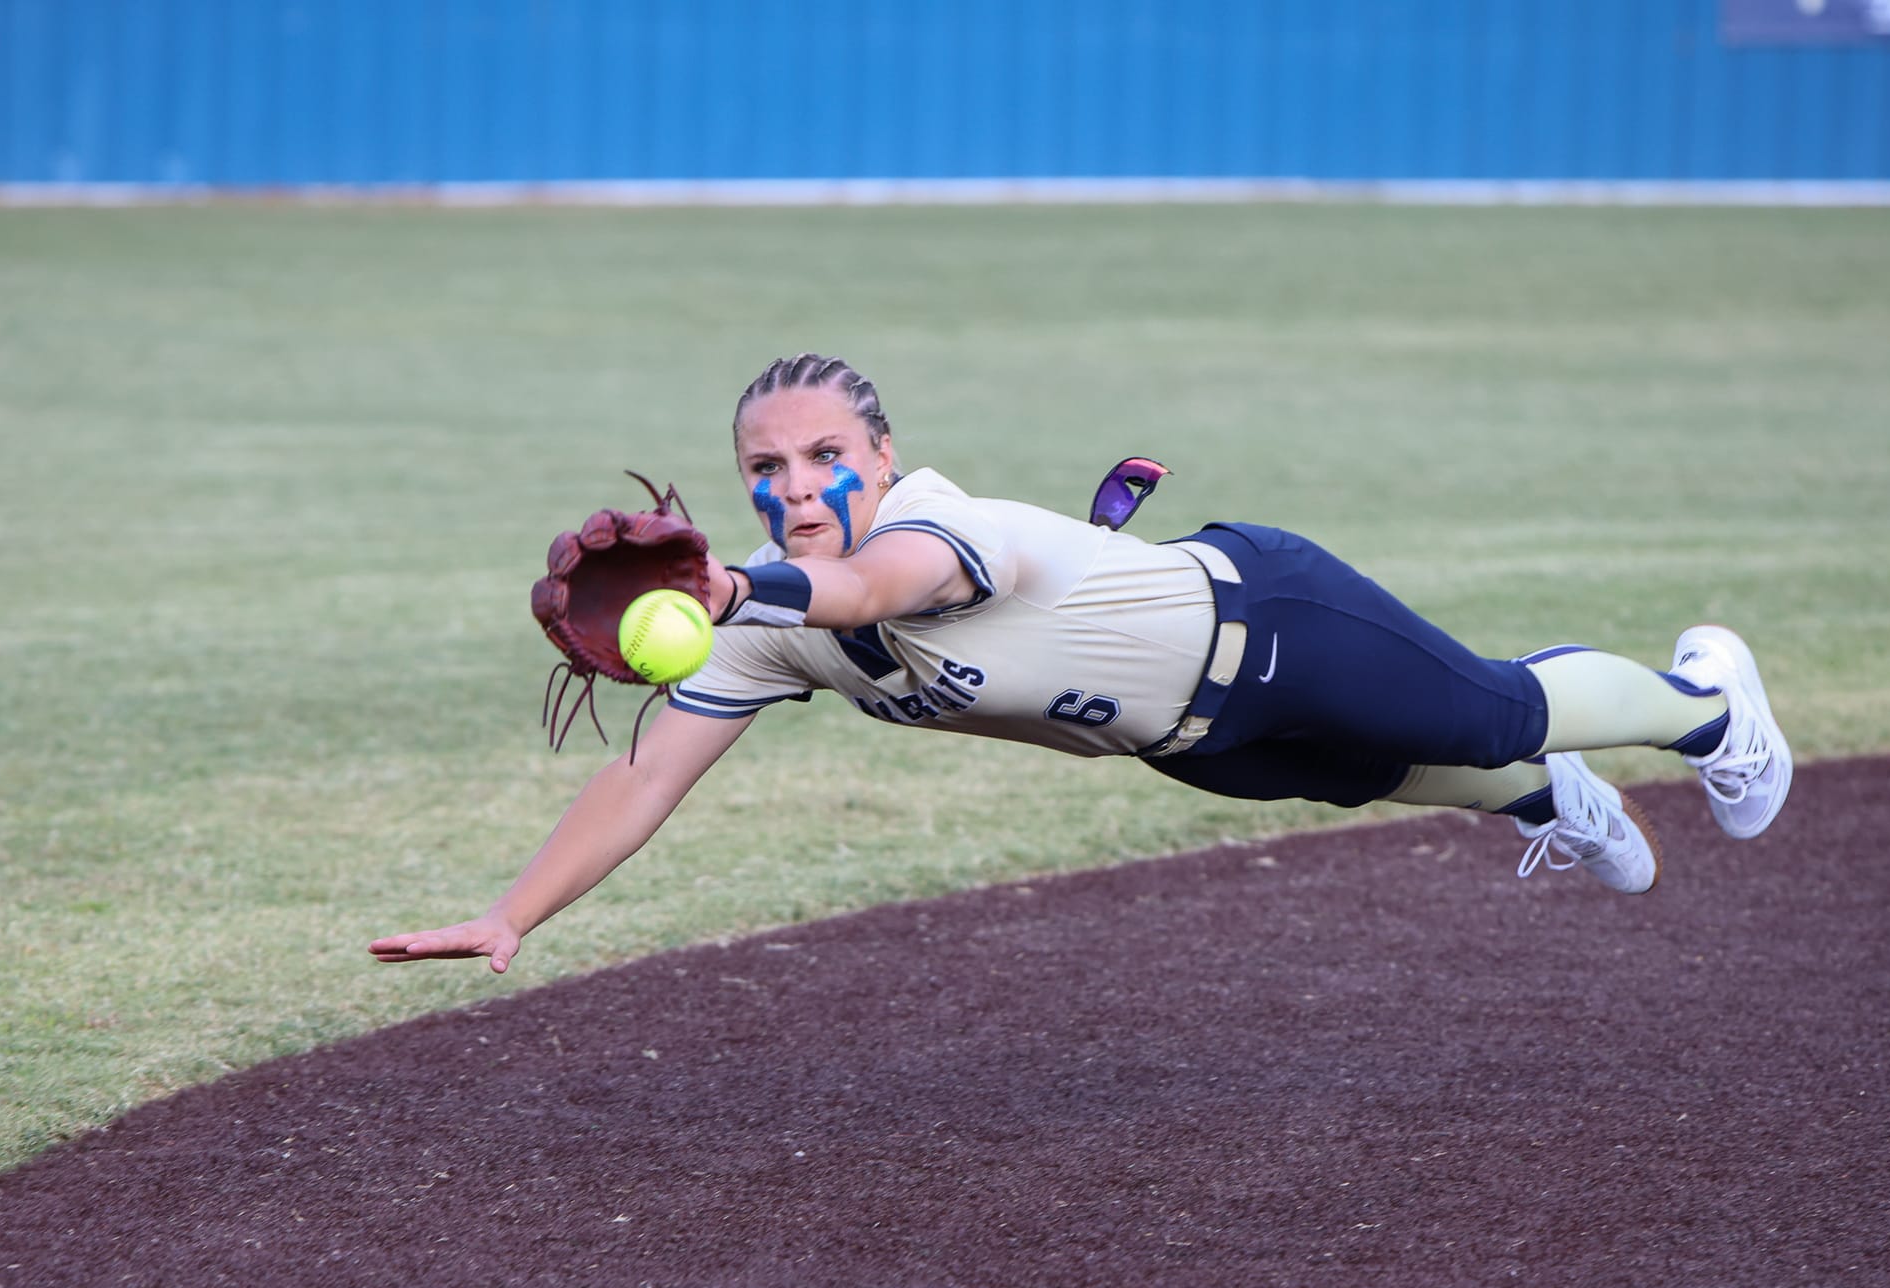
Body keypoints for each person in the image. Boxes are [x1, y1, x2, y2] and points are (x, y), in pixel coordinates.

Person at [371, 354, 1791, 974]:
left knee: (1493, 709)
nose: (794, 482)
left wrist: (736, 583)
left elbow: (875, 587)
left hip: (1274, 619)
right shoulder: (757, 624)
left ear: (883, 454)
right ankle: (1554, 800)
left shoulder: (935, 524)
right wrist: (511, 913)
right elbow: (643, 778)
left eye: (824, 454)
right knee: (1389, 778)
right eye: (765, 466)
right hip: (1188, 739)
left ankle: (1709, 704)